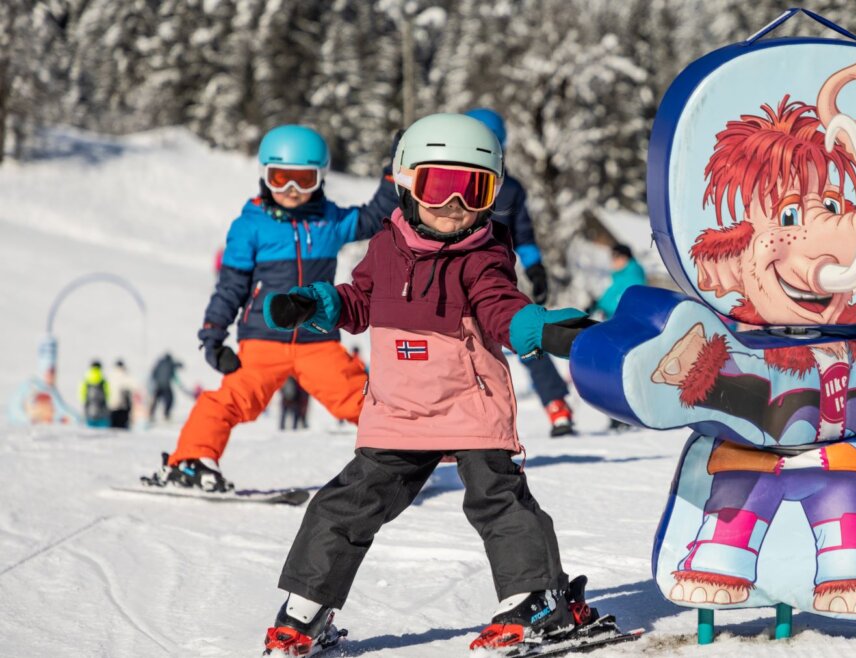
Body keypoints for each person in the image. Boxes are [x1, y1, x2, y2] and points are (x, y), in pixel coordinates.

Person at [258, 114, 597, 656]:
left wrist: (536, 327)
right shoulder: (384, 248)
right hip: (399, 411)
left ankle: (535, 600)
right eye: (441, 185)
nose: (455, 203)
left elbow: (500, 308)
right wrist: (318, 303)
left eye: (474, 188)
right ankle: (304, 611)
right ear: (407, 182)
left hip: (470, 406)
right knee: (342, 507)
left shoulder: (484, 256)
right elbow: (360, 300)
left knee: (499, 502)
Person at [145, 124, 399, 492]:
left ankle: (412, 448)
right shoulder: (250, 227)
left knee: (361, 397)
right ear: (265, 177)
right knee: (229, 400)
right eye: (281, 179)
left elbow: (378, 216)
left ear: (321, 178)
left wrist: (394, 172)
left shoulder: (329, 221)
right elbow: (230, 287)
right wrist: (214, 337)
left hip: (318, 341)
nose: (292, 191)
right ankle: (190, 461)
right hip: (263, 341)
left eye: (303, 180)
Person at [464, 108, 577, 437]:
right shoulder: (448, 183)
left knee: (524, 335)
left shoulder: (510, 189)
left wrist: (536, 269)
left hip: (495, 280)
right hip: (452, 280)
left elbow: (523, 235)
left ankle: (557, 405)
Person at [592, 243, 646, 431]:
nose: (613, 262)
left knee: (621, 371)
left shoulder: (632, 276)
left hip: (626, 330)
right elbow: (608, 297)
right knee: (617, 372)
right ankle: (619, 415)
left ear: (625, 258)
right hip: (617, 329)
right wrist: (595, 305)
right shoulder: (621, 277)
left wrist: (599, 306)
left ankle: (624, 414)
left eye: (616, 258)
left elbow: (619, 302)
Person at [148, 353, 182, 422]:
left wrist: (155, 381)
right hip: (166, 385)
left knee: (156, 399)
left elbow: (153, 373)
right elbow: (177, 365)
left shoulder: (159, 363)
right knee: (170, 399)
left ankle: (151, 414)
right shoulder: (170, 363)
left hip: (158, 385)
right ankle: (166, 414)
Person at [79, 360, 111, 428]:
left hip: (89, 412)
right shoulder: (103, 380)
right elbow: (108, 395)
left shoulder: (86, 380)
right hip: (102, 414)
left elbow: (82, 395)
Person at [106, 359, 135, 429]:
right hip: (123, 407)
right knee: (122, 430)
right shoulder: (126, 376)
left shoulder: (110, 376)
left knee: (113, 428)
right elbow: (134, 387)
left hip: (111, 407)